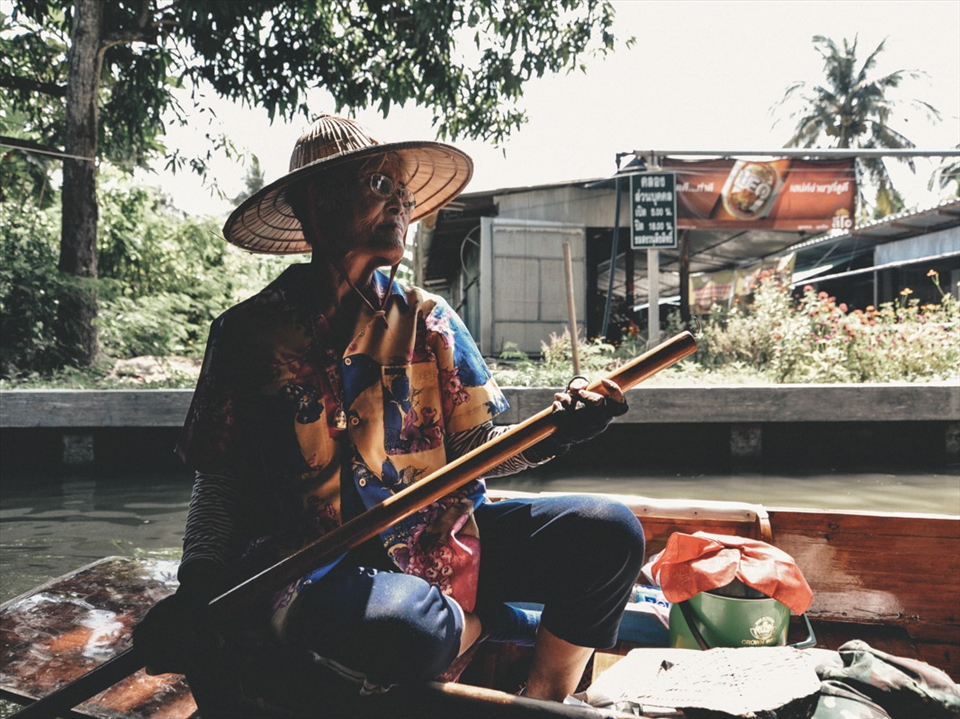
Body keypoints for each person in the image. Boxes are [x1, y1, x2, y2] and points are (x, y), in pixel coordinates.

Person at [134, 113, 645, 708]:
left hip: (441, 539)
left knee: (608, 531)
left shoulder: (429, 320)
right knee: (404, 629)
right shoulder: (248, 336)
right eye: (379, 186)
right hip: (307, 570)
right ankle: (492, 624)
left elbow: (474, 449)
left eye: (403, 193)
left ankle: (546, 697)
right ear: (314, 204)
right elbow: (219, 482)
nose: (400, 205)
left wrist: (560, 431)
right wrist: (197, 586)